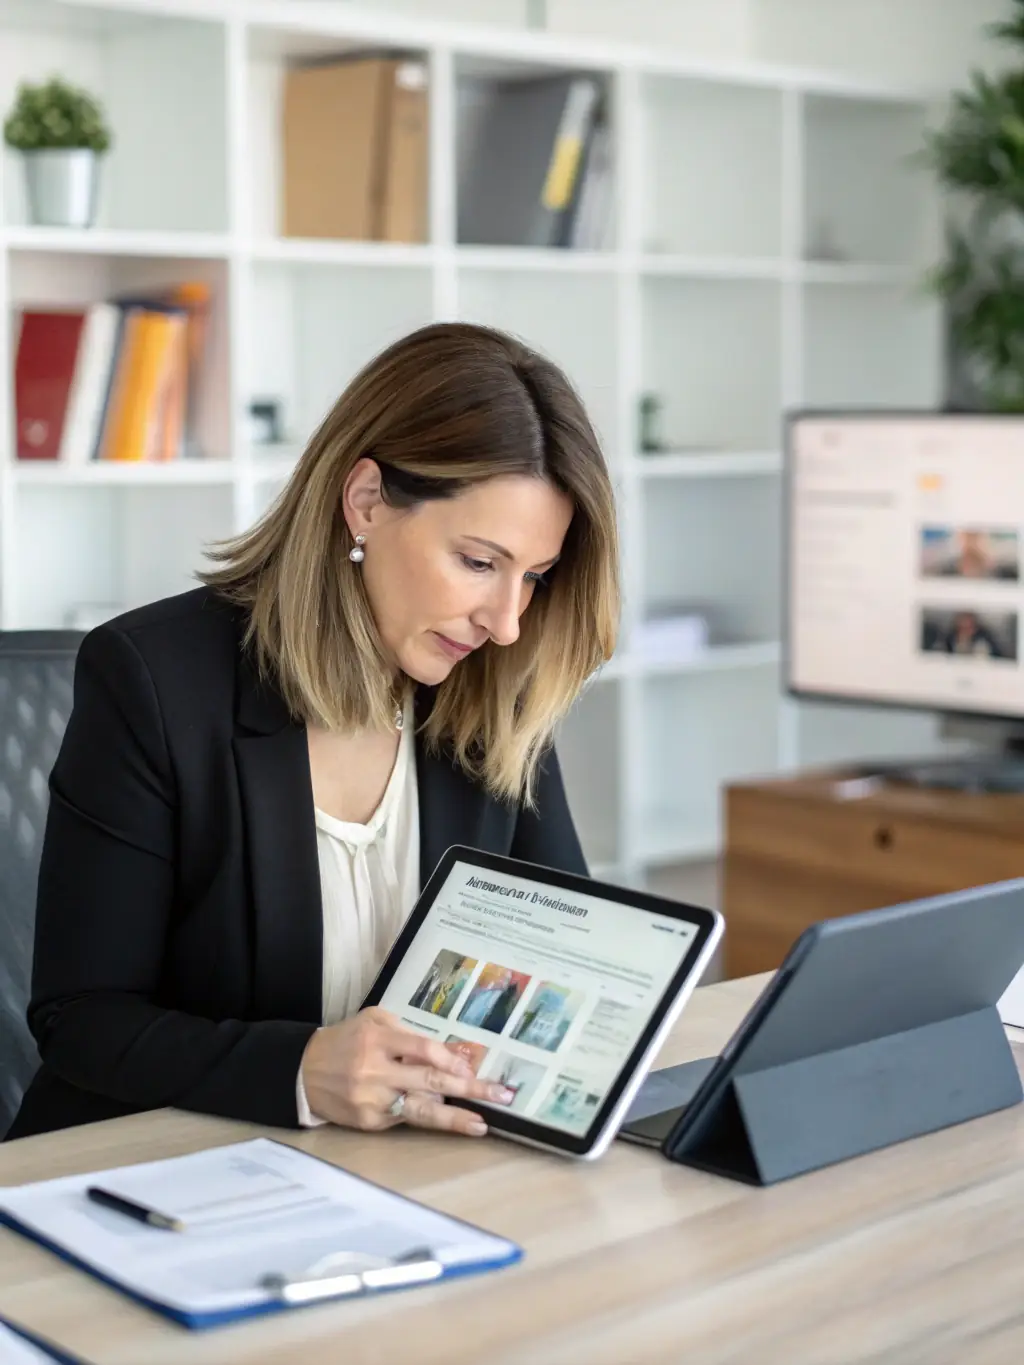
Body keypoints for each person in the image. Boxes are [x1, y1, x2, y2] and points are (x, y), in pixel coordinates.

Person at [7, 322, 619, 1143]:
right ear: (365, 501)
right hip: (164, 1165)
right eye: (479, 561)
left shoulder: (492, 687)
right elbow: (82, 1018)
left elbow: (568, 952)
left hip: (407, 1166)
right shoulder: (152, 679)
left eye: (534, 577)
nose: (507, 622)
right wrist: (300, 1071)